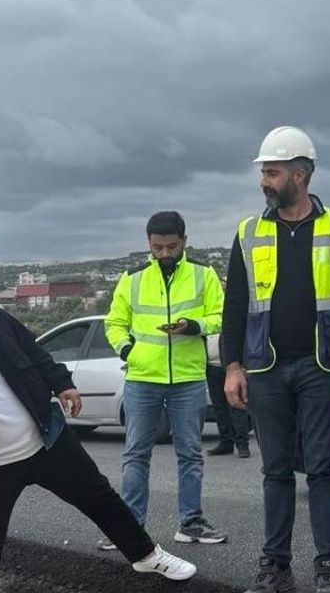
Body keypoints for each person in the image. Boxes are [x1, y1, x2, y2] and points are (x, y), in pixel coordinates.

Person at [0, 261, 196, 592]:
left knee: (100, 497)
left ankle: (146, 555)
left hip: (45, 439)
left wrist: (61, 382)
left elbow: (29, 346)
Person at [221, 126, 330, 593]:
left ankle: (327, 563)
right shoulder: (249, 231)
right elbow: (235, 305)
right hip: (265, 366)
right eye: (263, 172)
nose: (264, 181)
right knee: (275, 471)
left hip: (323, 364)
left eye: (272, 172)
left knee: (322, 468)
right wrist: (232, 366)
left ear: (301, 174)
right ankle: (275, 563)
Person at [102, 211, 227, 551]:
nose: (164, 254)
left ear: (184, 241)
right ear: (149, 243)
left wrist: (194, 326)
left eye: (171, 247)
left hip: (187, 377)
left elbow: (220, 315)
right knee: (136, 454)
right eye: (157, 248)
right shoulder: (132, 278)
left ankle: (191, 522)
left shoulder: (204, 274)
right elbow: (114, 323)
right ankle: (131, 528)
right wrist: (127, 350)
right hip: (142, 377)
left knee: (190, 454)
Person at [205, 327, 252, 458]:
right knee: (219, 408)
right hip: (211, 368)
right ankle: (226, 442)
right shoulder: (207, 323)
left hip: (231, 369)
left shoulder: (229, 322)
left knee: (236, 407)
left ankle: (242, 445)